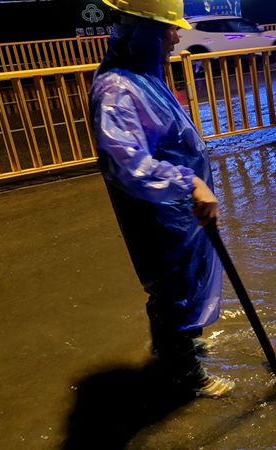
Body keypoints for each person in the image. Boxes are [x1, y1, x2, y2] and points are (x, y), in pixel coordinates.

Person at [89, 0, 234, 398]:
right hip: (160, 215)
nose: (177, 35)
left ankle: (181, 343)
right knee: (173, 289)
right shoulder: (118, 91)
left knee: (186, 282)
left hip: (179, 212)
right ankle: (184, 373)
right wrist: (189, 183)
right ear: (143, 30)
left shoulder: (144, 77)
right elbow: (129, 164)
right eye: (169, 28)